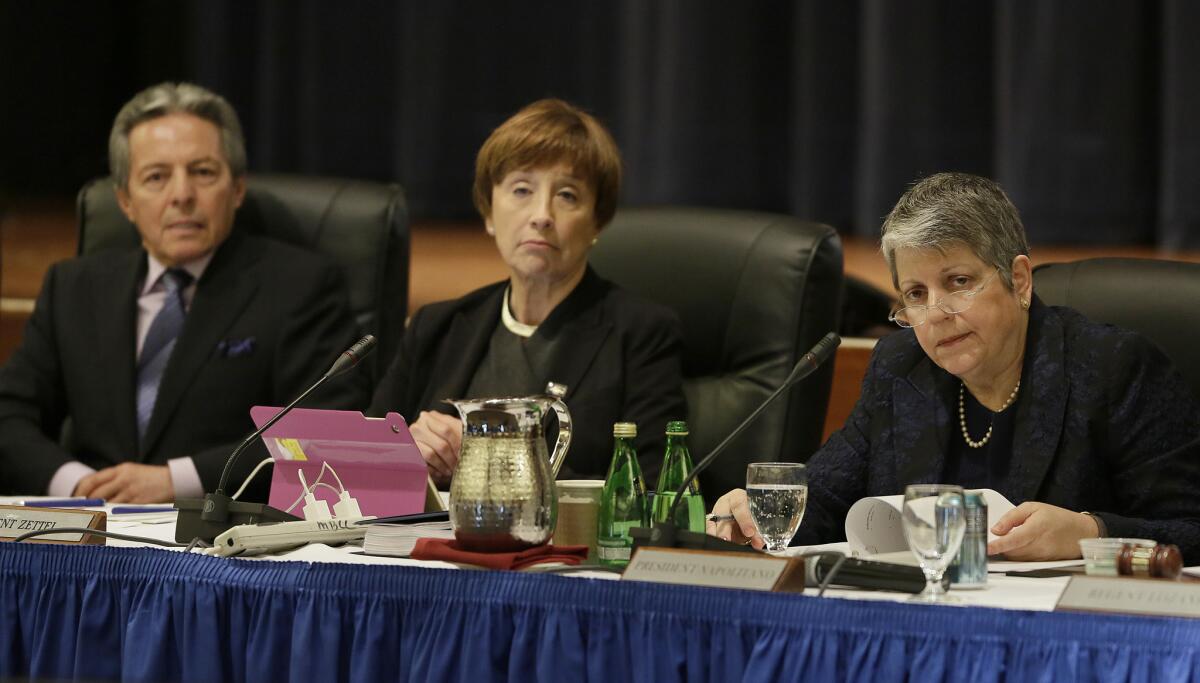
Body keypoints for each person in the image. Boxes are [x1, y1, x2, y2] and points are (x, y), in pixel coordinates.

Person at [708, 172, 1200, 562]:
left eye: (959, 281)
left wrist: (1091, 532)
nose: (937, 312)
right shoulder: (901, 368)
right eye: (916, 294)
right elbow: (828, 496)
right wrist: (759, 513)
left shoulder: (1112, 369)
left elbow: (1190, 528)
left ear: (1020, 281)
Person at [0, 82, 364, 502]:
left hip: (222, 536)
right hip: (89, 531)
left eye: (203, 172)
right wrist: (78, 484)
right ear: (125, 201)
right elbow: (9, 413)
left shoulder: (301, 286)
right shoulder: (73, 288)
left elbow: (326, 427)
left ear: (238, 188)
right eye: (156, 177)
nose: (182, 195)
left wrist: (177, 481)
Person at [369, 99, 686, 486]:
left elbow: (650, 492)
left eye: (567, 195)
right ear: (488, 211)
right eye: (521, 190)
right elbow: (364, 465)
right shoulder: (437, 326)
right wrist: (403, 454)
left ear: (597, 222)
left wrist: (485, 461)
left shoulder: (640, 334)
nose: (542, 215)